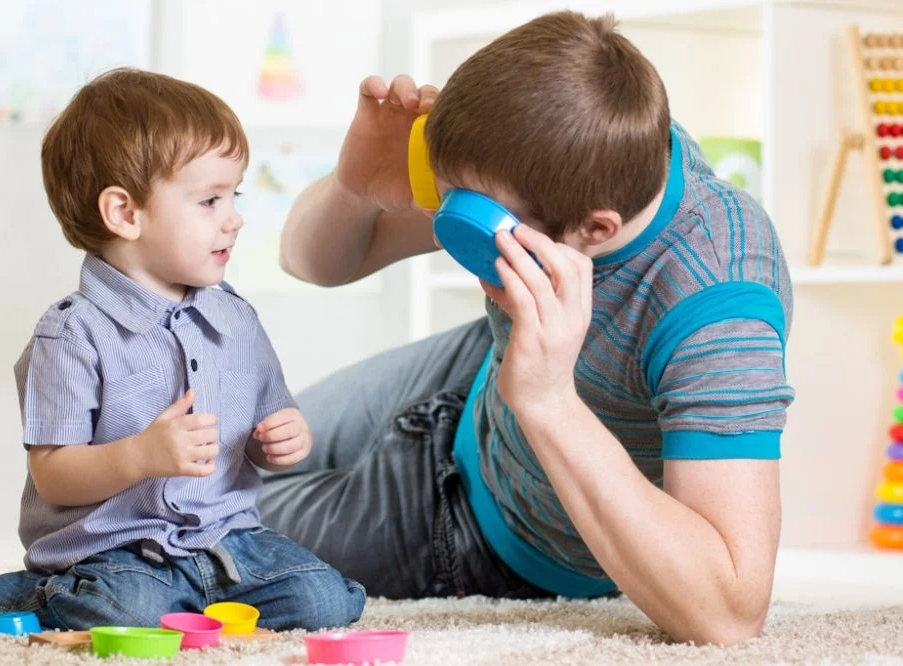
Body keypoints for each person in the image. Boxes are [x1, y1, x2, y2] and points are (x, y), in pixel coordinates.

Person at [260, 11, 793, 645]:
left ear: (595, 228)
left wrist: (547, 399)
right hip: (470, 375)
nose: (448, 227)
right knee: (234, 450)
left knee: (190, 526)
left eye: (470, 219)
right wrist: (355, 189)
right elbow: (311, 263)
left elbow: (730, 614)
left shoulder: (718, 310)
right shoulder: (583, 146)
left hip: (490, 532)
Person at [0, 68, 365, 632]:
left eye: (235, 195)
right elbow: (52, 474)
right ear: (126, 214)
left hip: (227, 540)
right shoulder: (71, 335)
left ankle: (192, 604)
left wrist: (283, 438)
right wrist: (138, 456)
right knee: (124, 612)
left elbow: (267, 421)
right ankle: (19, 595)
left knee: (325, 601)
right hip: (116, 551)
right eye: (210, 200)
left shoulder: (235, 318)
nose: (235, 218)